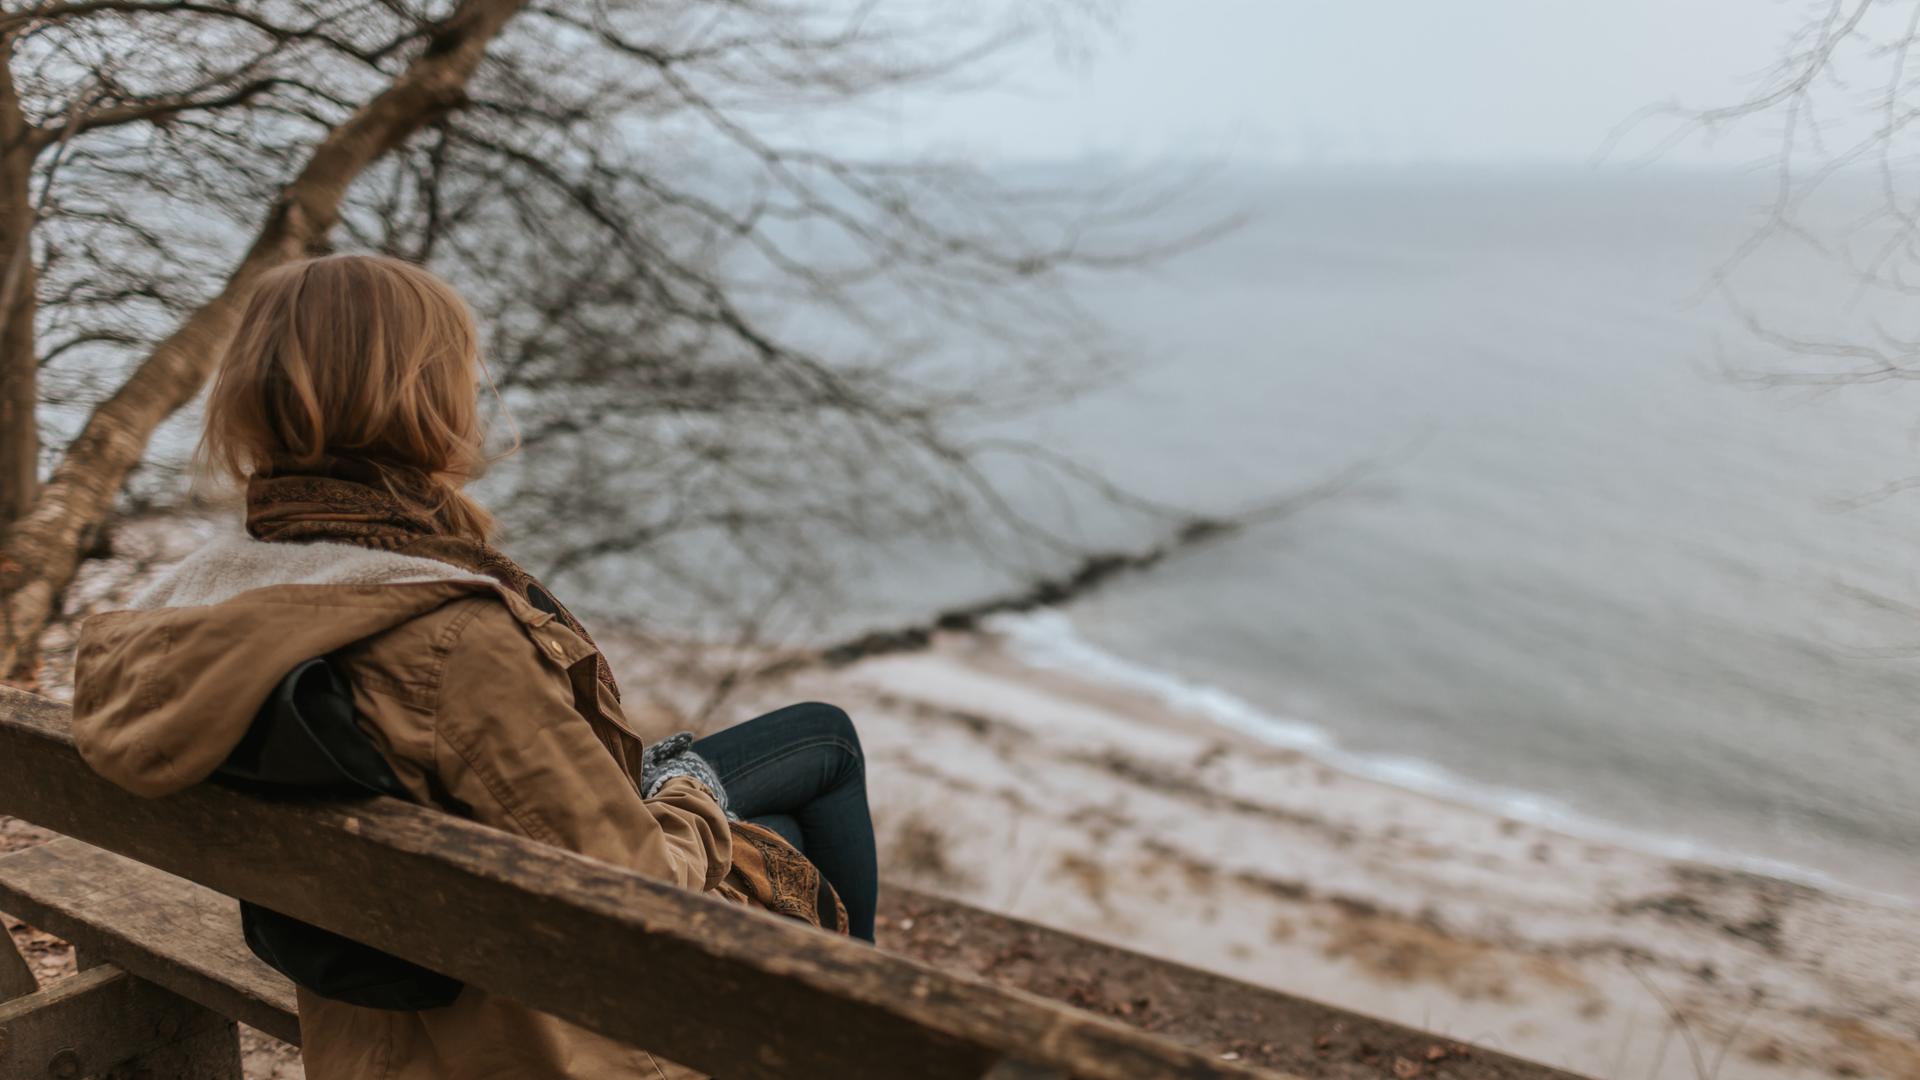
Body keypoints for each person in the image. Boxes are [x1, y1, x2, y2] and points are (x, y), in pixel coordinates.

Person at [67, 253, 877, 1080]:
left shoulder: (196, 601)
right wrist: (689, 789)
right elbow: (637, 897)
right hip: (536, 1026)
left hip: (370, 1006)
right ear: (426, 396)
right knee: (822, 755)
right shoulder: (449, 639)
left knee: (804, 760)